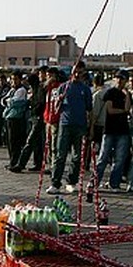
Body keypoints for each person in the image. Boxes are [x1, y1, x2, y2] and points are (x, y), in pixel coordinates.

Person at [47, 63, 93, 194]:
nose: (77, 74)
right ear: (72, 72)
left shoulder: (86, 89)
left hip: (80, 125)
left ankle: (72, 181)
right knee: (60, 155)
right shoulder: (64, 87)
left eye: (80, 72)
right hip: (65, 124)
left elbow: (90, 110)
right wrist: (59, 101)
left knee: (77, 156)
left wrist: (91, 128)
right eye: (75, 72)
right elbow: (56, 109)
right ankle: (55, 183)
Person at [94, 70, 131, 191]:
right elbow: (110, 110)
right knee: (103, 157)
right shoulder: (110, 92)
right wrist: (123, 111)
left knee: (119, 159)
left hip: (123, 130)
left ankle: (114, 183)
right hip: (109, 129)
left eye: (123, 79)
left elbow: (127, 108)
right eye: (118, 78)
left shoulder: (126, 94)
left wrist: (127, 96)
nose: (120, 81)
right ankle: (95, 182)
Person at [2, 71, 28, 171]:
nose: (14, 81)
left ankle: (15, 161)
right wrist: (7, 101)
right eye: (12, 79)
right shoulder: (12, 90)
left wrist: (8, 101)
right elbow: (4, 100)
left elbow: (14, 102)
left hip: (16, 118)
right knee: (9, 141)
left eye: (16, 79)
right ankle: (11, 161)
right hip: (8, 116)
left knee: (15, 142)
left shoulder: (21, 90)